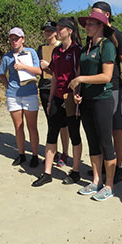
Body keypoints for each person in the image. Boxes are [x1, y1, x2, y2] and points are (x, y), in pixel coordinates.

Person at [69, 12, 118, 201]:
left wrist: (80, 79)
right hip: (87, 100)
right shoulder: (86, 47)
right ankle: (96, 180)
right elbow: (80, 72)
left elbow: (106, 76)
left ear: (101, 26)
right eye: (86, 24)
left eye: (91, 24)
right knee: (92, 141)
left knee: (106, 141)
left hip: (102, 100)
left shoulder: (107, 46)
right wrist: (77, 91)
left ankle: (109, 185)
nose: (87, 27)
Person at [32, 17, 83, 187]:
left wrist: (77, 95)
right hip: (57, 97)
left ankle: (75, 171)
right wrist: (50, 99)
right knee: (51, 132)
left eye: (61, 28)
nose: (57, 31)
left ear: (70, 31)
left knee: (74, 134)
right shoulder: (56, 51)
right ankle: (47, 173)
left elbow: (79, 75)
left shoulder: (77, 51)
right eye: (57, 28)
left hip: (71, 98)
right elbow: (54, 76)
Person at [91, 2, 122, 183]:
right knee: (101, 129)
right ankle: (104, 166)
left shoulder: (117, 35)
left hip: (114, 87)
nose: (92, 17)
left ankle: (119, 167)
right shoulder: (92, 35)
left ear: (107, 15)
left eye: (96, 14)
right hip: (96, 89)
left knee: (116, 128)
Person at [0, 27, 42, 168]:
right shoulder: (7, 57)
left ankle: (35, 155)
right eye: (12, 38)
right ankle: (21, 154)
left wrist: (23, 67)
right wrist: (8, 87)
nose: (14, 41)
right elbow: (1, 73)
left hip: (29, 93)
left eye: (16, 38)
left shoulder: (31, 52)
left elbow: (39, 71)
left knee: (32, 126)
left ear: (23, 39)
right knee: (18, 126)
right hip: (13, 95)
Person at [37, 21, 70, 167]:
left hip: (59, 89)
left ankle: (65, 153)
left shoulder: (61, 48)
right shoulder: (41, 48)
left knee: (63, 124)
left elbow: (61, 71)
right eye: (45, 31)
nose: (48, 33)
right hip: (44, 88)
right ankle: (54, 152)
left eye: (50, 30)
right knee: (52, 122)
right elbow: (38, 69)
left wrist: (47, 67)